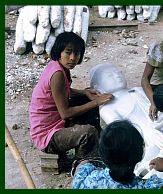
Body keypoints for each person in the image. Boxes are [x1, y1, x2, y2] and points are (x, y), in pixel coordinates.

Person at [29, 32, 113, 167]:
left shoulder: (59, 66)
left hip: (54, 122)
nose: (73, 58)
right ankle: (81, 166)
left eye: (77, 53)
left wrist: (84, 92)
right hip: (47, 135)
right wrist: (95, 102)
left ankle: (95, 147)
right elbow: (65, 113)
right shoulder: (57, 74)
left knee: (86, 101)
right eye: (68, 52)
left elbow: (63, 92)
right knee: (88, 133)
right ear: (59, 51)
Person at [89, 63, 163, 177]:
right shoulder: (107, 108)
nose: (117, 76)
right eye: (110, 76)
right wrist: (146, 133)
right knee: (150, 154)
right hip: (143, 140)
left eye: (118, 73)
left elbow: (155, 108)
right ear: (98, 87)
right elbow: (123, 133)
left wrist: (161, 117)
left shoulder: (137, 90)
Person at [71, 120, 163, 189]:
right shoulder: (153, 187)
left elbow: (83, 164)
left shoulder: (85, 178)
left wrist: (86, 164)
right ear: (140, 154)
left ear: (102, 154)